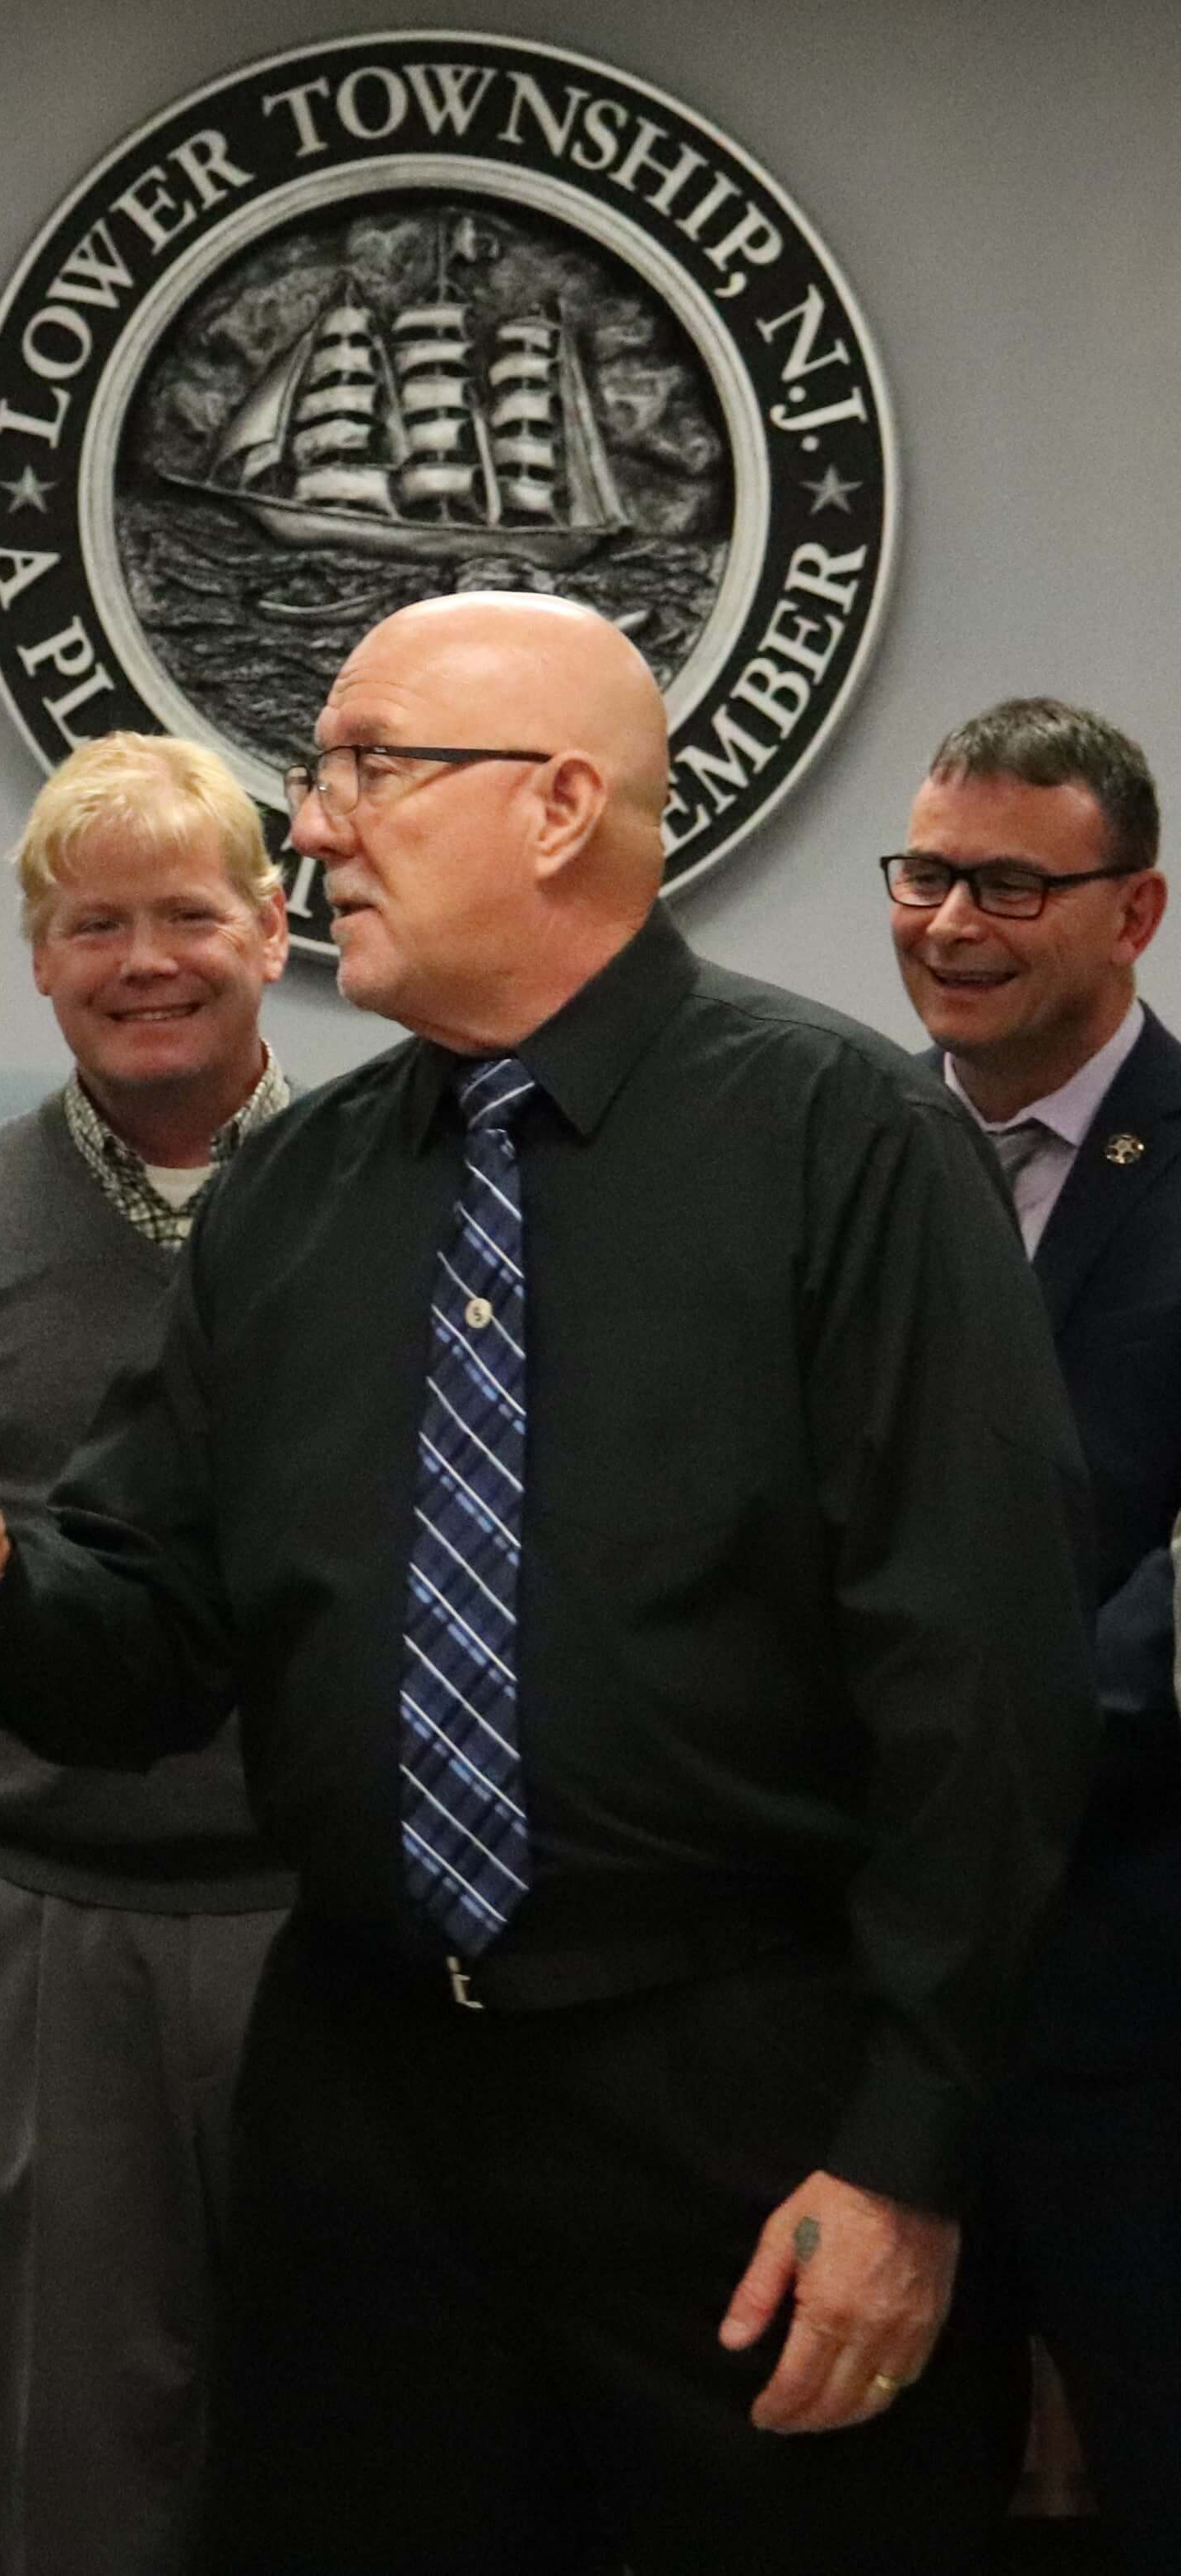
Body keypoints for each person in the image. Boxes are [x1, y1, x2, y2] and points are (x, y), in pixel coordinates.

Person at [0, 593, 1101, 2575]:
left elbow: (982, 1688)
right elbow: (150, 1648)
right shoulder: (297, 1204)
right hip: (369, 2108)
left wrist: (905, 2156)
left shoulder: (850, 1147)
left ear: (564, 804)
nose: (312, 828)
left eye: (366, 769)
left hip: (747, 2102)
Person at [0, 732, 296, 2576]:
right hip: (51, 1927)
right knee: (77, 2459)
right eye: (93, 922)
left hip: (339, 1928)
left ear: (274, 929)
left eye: (190, 913)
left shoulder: (391, 1186)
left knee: (350, 2437)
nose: (144, 960)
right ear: (38, 954)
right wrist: (10, 1781)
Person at [883, 696, 1181, 2574]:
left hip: (1132, 1979)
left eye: (1010, 883)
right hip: (863, 1999)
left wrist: (975, 1738)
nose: (949, 927)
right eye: (924, 876)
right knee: (864, 2503)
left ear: (1135, 910)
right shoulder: (844, 1161)